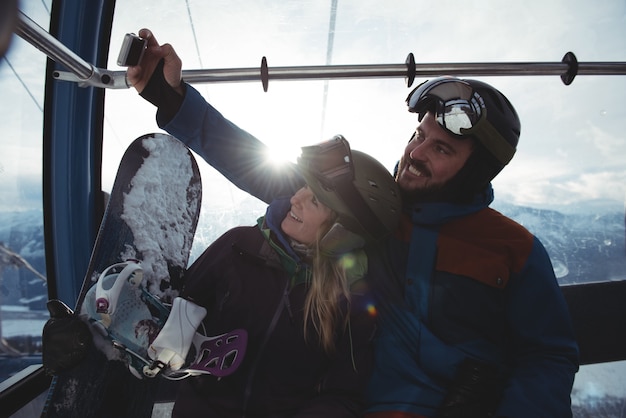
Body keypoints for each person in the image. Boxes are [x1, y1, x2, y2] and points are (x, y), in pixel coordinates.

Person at [128, 29, 580, 417]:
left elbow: (548, 355)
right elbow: (257, 165)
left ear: (476, 171)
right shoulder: (370, 210)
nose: (416, 153)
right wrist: (173, 99)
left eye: (441, 150)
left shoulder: (513, 250)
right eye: (419, 136)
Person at [144, 135, 402, 417]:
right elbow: (185, 299)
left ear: (342, 233)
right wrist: (161, 331)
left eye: (315, 200)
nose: (295, 198)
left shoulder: (352, 298)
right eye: (304, 185)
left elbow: (344, 394)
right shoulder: (240, 246)